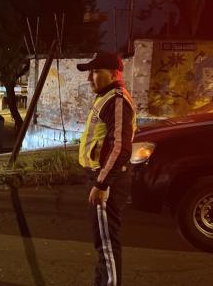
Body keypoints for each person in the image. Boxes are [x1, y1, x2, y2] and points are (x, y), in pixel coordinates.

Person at [77, 52, 136, 286]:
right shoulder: (106, 98)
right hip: (101, 176)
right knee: (102, 241)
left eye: (95, 72)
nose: (89, 78)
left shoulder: (116, 100)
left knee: (107, 245)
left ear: (114, 73)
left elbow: (120, 146)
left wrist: (102, 183)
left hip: (107, 181)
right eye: (90, 72)